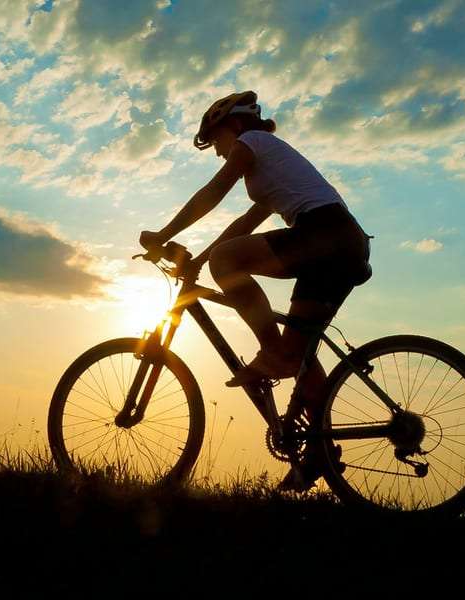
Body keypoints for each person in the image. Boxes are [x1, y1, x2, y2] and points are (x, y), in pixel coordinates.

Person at [139, 90, 372, 490]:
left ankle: (272, 353)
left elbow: (213, 191)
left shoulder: (253, 143)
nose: (216, 152)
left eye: (214, 141)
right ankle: (320, 452)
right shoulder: (269, 168)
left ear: (232, 126)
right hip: (342, 244)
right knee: (299, 355)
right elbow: (243, 228)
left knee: (232, 269)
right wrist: (199, 261)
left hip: (323, 235)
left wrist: (165, 234)